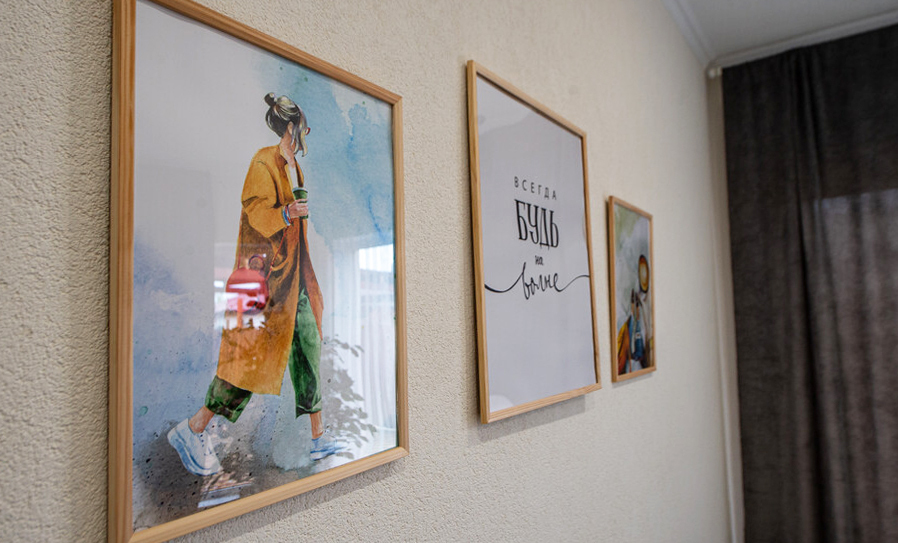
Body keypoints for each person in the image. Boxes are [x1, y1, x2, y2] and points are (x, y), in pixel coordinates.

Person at [167, 93, 339, 476]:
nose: (308, 132)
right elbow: (257, 213)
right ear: (291, 127)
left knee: (308, 345)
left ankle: (319, 437)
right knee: (248, 360)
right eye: (303, 126)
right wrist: (286, 212)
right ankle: (193, 429)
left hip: (294, 276)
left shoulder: (295, 168)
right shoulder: (263, 161)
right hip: (263, 280)